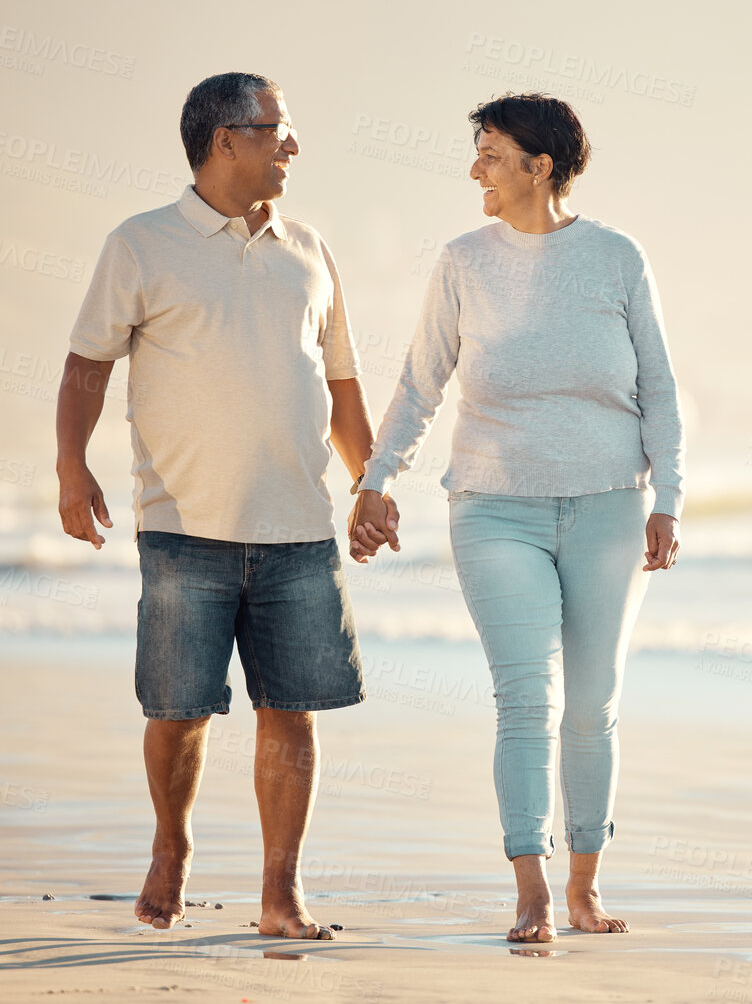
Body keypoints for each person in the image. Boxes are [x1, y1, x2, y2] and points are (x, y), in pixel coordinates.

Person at [55, 72, 393, 940]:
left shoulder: (310, 249)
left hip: (298, 528)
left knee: (293, 706)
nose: (291, 143)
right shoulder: (141, 244)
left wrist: (368, 484)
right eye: (276, 128)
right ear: (223, 140)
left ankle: (282, 893)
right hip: (182, 526)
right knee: (178, 708)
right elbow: (88, 364)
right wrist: (70, 466)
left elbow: (343, 382)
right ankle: (172, 844)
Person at [350, 92, 684, 942]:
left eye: (490, 155)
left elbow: (658, 388)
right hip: (495, 509)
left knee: (594, 701)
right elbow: (421, 381)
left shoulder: (616, 258)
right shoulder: (465, 261)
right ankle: (531, 888)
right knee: (525, 697)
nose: (476, 172)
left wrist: (669, 498)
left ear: (541, 166)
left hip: (611, 506)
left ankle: (584, 884)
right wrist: (378, 476)